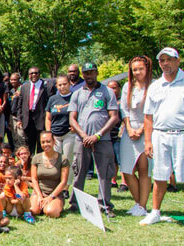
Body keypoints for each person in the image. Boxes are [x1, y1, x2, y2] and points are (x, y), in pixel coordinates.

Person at [139, 48, 184, 234]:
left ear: (178, 61)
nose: (165, 63)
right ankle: (155, 212)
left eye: (169, 60)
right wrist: (148, 141)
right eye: (162, 60)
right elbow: (148, 116)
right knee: (160, 176)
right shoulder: (155, 86)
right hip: (160, 135)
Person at [68, 62, 119, 218]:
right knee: (79, 171)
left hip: (102, 139)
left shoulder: (107, 91)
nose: (89, 75)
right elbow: (72, 118)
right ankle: (75, 203)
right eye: (86, 73)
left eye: (91, 72)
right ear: (82, 74)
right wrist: (83, 135)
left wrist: (98, 135)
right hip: (81, 139)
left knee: (104, 173)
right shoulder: (77, 93)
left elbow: (114, 117)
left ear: (96, 73)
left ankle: (105, 205)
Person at [119, 55, 153, 217]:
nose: (137, 72)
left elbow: (153, 112)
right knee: (127, 169)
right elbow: (124, 109)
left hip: (147, 129)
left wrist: (141, 130)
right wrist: (129, 127)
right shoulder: (127, 86)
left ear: (147, 69)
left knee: (144, 169)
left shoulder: (153, 86)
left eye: (140, 69)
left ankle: (143, 205)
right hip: (129, 129)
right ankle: (139, 203)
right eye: (134, 69)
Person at [45, 75, 75, 198]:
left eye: (65, 84)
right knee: (54, 160)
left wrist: (76, 126)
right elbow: (48, 117)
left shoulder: (74, 97)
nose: (62, 87)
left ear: (69, 84)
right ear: (57, 86)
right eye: (60, 85)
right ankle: (56, 186)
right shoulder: (53, 99)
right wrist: (49, 133)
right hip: (55, 135)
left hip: (69, 134)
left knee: (67, 160)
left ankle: (66, 187)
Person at [16, 67, 56, 154]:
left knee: (41, 144)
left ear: (39, 74)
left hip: (41, 120)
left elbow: (51, 105)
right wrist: (19, 119)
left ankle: (40, 164)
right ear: (28, 75)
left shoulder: (47, 86)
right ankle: (30, 165)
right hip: (27, 120)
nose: (34, 75)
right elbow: (20, 105)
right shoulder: (24, 87)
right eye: (31, 73)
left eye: (36, 73)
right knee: (29, 145)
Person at [29, 131, 69, 218]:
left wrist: (51, 197)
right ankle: (41, 205)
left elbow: (63, 182)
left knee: (51, 212)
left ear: (54, 141)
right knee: (33, 210)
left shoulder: (63, 159)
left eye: (48, 141)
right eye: (43, 142)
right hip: (39, 192)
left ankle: (51, 205)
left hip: (55, 194)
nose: (45, 144)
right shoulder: (36, 158)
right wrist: (39, 196)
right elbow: (34, 179)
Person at [107, 80, 127, 190]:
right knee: (112, 160)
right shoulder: (108, 101)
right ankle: (113, 180)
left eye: (114, 88)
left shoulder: (122, 101)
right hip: (109, 134)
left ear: (119, 88)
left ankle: (124, 183)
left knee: (121, 160)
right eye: (110, 88)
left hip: (120, 135)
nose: (112, 90)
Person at [6, 72, 25, 149]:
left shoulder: (23, 89)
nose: (13, 81)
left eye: (15, 79)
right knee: (15, 137)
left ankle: (24, 153)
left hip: (20, 116)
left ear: (19, 80)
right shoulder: (11, 91)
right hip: (12, 116)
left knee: (21, 137)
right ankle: (17, 154)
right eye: (11, 80)